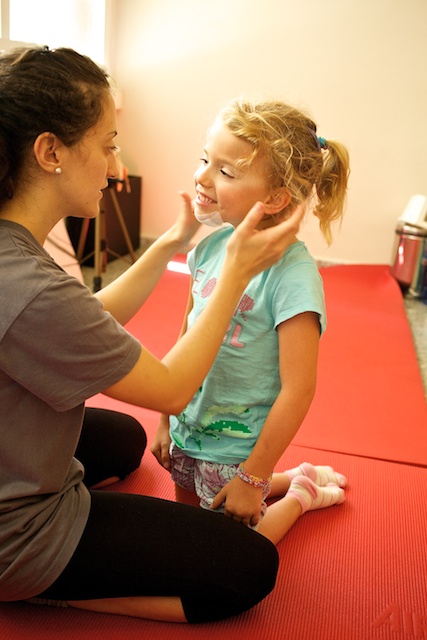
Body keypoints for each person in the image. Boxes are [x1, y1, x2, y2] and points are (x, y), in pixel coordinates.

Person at [0, 47, 308, 624]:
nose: (117, 166)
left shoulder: (14, 251)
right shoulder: (31, 286)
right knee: (246, 567)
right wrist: (236, 271)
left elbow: (81, 319)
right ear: (50, 152)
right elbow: (169, 388)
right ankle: (38, 586)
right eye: (109, 144)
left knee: (123, 439)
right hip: (13, 537)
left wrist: (171, 242)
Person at [152, 97, 350, 544]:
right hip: (187, 431)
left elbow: (299, 389)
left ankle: (299, 494)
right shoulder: (208, 247)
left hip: (238, 453)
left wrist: (254, 476)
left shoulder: (294, 277)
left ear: (276, 198)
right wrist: (164, 419)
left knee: (224, 557)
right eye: (205, 159)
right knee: (187, 536)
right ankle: (296, 476)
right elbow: (185, 336)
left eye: (225, 171)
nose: (202, 176)